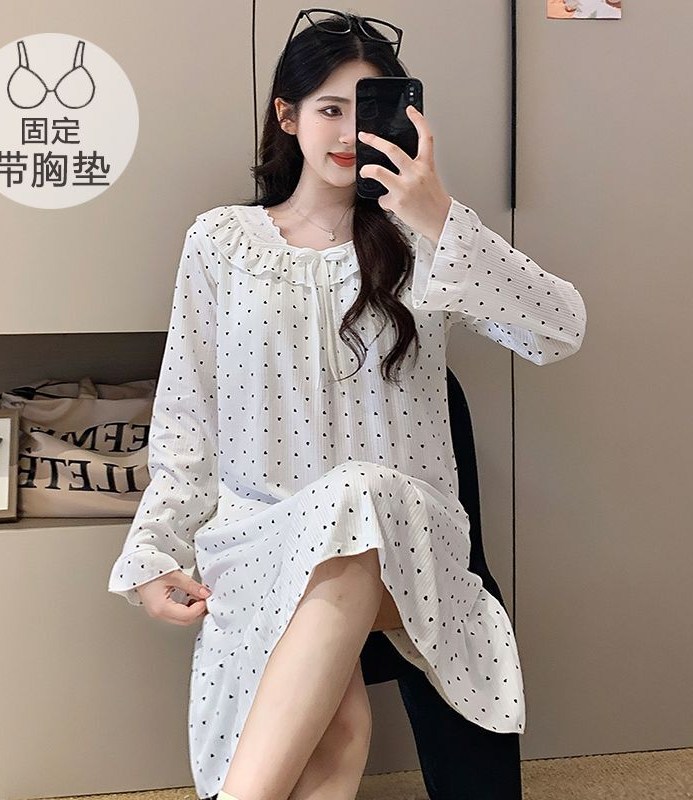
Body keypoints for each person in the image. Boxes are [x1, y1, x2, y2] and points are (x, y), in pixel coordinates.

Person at [108, 10, 587, 800]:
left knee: (355, 495)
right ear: (287, 115)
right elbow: (189, 416)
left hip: (403, 538)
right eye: (329, 108)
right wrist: (155, 551)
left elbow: (559, 328)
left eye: (367, 110)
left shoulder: (422, 242)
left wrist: (439, 216)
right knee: (332, 723)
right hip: (262, 536)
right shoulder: (222, 242)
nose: (346, 132)